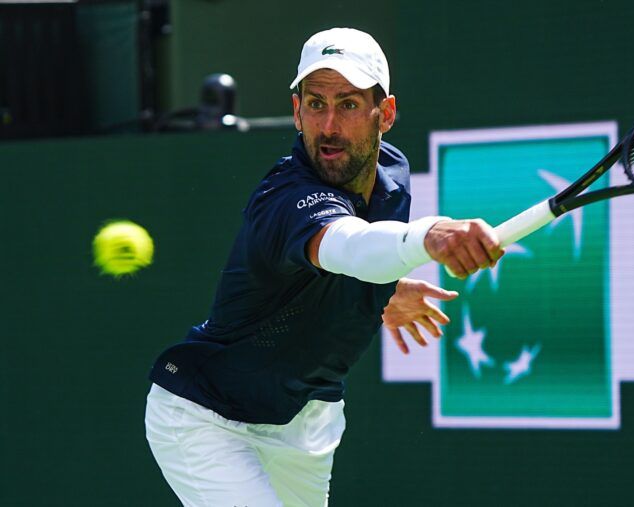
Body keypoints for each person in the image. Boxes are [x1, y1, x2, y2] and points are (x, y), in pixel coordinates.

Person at [144, 27, 504, 507]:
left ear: (386, 114)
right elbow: (346, 245)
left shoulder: (392, 176)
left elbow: (348, 263)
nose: (329, 125)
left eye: (349, 104)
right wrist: (428, 235)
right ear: (297, 112)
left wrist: (382, 293)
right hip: (206, 419)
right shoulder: (286, 196)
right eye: (316, 104)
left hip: (306, 425)